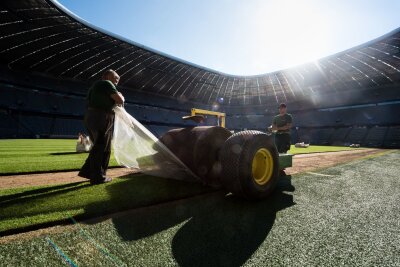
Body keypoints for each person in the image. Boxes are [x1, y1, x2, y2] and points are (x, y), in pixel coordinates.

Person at [78, 69, 125, 184]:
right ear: (108, 76)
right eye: (116, 78)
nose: (117, 81)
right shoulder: (106, 83)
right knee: (102, 147)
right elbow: (119, 100)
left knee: (99, 146)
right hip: (101, 117)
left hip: (92, 116)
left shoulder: (95, 87)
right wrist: (121, 96)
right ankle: (98, 177)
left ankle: (88, 171)